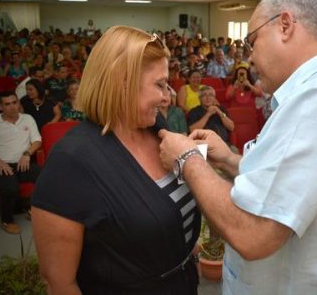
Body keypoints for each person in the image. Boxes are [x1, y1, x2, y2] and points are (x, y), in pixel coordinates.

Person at [158, 0, 317, 294]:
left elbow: (255, 236)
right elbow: (290, 180)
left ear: (285, 25)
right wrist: (230, 160)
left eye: (252, 41)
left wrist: (187, 159)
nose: (250, 57)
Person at [31, 26, 201, 294]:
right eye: (159, 85)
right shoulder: (70, 161)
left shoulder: (157, 127)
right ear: (122, 82)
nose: (167, 96)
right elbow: (59, 282)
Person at [0, 91, 41, 234]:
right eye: (7, 104)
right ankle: (7, 221)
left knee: (45, 176)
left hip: (21, 163)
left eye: (14, 102)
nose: (12, 107)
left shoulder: (28, 119)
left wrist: (27, 153)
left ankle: (34, 210)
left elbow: (37, 141)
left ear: (18, 103)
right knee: (11, 187)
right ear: (0, 106)